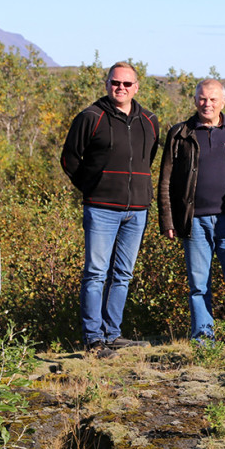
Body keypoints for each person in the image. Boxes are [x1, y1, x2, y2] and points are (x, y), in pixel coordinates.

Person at [61, 61, 158, 356]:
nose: (121, 88)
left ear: (136, 87)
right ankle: (94, 338)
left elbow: (148, 158)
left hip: (137, 210)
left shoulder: (150, 120)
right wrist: (93, 186)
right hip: (101, 208)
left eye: (127, 84)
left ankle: (112, 334)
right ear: (107, 84)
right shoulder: (91, 117)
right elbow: (69, 158)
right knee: (95, 273)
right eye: (116, 83)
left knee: (123, 275)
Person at [158, 79, 225, 344]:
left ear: (223, 102)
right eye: (203, 99)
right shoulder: (179, 133)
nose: (207, 104)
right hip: (193, 221)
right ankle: (204, 337)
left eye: (213, 99)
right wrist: (168, 219)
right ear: (194, 100)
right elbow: (165, 179)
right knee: (198, 285)